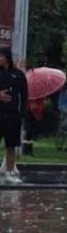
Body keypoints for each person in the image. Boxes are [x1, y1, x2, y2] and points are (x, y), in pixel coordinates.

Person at [0, 47, 27, 183]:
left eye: (1, 56)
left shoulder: (18, 75)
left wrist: (22, 112)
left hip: (12, 115)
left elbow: (24, 94)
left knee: (11, 144)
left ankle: (10, 172)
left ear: (7, 57)